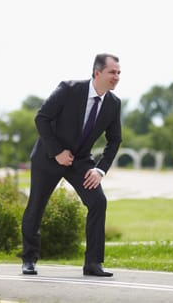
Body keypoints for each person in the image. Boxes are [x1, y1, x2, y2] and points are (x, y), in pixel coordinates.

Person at [21, 53, 122, 277]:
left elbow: (114, 140)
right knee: (36, 206)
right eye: (112, 72)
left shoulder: (114, 104)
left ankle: (93, 263)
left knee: (98, 202)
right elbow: (42, 118)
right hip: (48, 156)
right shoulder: (68, 88)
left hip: (81, 161)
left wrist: (100, 169)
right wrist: (57, 151)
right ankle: (29, 259)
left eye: (118, 73)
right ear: (97, 73)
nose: (116, 77)